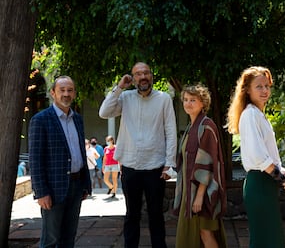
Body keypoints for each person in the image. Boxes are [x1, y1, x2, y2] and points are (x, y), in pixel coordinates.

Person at [99, 62, 177, 248]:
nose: (143, 77)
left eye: (146, 73)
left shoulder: (164, 99)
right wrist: (118, 88)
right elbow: (104, 112)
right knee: (131, 214)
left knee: (156, 214)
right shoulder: (125, 97)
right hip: (130, 166)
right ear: (133, 79)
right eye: (138, 74)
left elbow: (171, 131)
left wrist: (169, 163)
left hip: (155, 166)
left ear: (151, 76)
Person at [226, 66, 285, 248]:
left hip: (265, 182)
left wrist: (282, 170)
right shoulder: (250, 114)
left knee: (271, 237)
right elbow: (258, 156)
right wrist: (280, 176)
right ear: (247, 90)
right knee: (266, 239)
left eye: (267, 86)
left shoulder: (257, 114)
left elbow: (268, 152)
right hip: (260, 182)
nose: (264, 91)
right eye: (259, 86)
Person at [29, 76, 91, 247]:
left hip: (77, 186)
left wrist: (85, 183)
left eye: (70, 90)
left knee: (69, 238)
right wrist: (41, 192)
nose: (66, 94)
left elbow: (79, 153)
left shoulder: (77, 119)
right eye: (62, 90)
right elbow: (35, 159)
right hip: (53, 189)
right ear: (53, 93)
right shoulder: (40, 120)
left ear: (74, 93)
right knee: (50, 240)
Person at [173, 84, 227, 248]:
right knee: (197, 233)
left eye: (193, 100)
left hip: (203, 192)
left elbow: (208, 163)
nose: (188, 103)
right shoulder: (191, 128)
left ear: (202, 103)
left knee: (205, 232)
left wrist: (199, 195)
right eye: (186, 100)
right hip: (189, 191)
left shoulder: (206, 126)